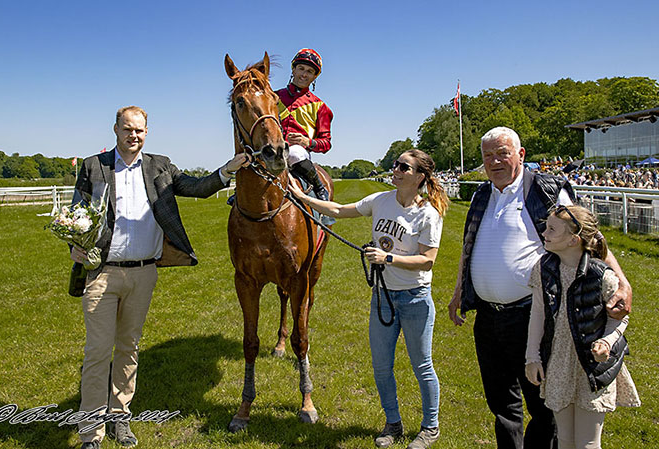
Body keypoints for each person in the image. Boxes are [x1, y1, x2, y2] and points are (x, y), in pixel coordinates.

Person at [70, 106, 248, 449]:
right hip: (102, 274)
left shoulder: (160, 166)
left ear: (146, 132)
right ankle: (91, 432)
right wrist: (75, 247)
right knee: (97, 352)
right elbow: (76, 214)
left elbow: (197, 187)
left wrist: (228, 169)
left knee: (129, 348)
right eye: (127, 129)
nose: (132, 135)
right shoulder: (95, 166)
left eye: (139, 130)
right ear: (115, 130)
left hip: (144, 274)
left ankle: (120, 418)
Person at [447, 126, 632, 449]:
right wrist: (459, 290)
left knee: (544, 402)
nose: (494, 162)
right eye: (487, 156)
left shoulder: (545, 190)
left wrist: (623, 283)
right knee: (501, 405)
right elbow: (469, 246)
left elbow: (591, 238)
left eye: (502, 153)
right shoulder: (480, 195)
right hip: (489, 319)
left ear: (521, 155)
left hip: (534, 316)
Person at [290, 149, 449, 449]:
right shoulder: (381, 200)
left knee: (422, 365)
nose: (397, 169)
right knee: (381, 366)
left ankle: (430, 427)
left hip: (415, 298)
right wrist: (303, 198)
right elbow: (338, 210)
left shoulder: (428, 213)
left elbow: (428, 261)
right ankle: (393, 424)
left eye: (405, 167)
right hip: (382, 298)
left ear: (420, 177)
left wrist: (387, 257)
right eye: (396, 164)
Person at [525, 205, 640, 449]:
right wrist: (532, 356)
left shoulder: (602, 276)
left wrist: (607, 342)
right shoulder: (543, 269)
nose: (544, 233)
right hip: (558, 361)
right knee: (565, 440)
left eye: (552, 229)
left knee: (588, 442)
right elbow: (538, 313)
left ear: (573, 240)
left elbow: (620, 318)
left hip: (591, 366)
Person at [276, 48, 333, 201]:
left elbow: (326, 144)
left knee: (293, 153)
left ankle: (319, 187)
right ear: (293, 69)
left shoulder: (321, 107)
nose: (304, 74)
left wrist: (307, 141)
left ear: (315, 77)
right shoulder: (273, 97)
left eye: (309, 71)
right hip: (271, 149)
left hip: (298, 153)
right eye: (300, 68)